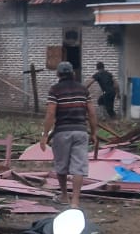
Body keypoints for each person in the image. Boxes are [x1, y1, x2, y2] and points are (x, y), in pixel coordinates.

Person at [38, 61, 98, 208]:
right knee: (79, 166)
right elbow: (91, 112)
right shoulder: (83, 89)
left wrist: (45, 134)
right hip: (80, 131)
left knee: (61, 165)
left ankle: (64, 196)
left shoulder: (55, 90)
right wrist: (94, 133)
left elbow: (51, 112)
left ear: (58, 74)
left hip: (62, 132)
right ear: (73, 73)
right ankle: (75, 201)